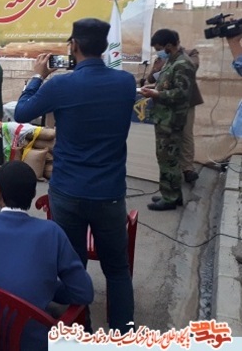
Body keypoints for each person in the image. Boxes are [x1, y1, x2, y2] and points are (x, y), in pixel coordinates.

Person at [14, 18, 135, 333]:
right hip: (109, 193)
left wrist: (37, 76)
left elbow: (22, 112)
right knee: (117, 270)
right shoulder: (126, 83)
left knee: (72, 265)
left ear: (74, 45)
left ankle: (81, 328)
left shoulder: (60, 85)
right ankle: (123, 333)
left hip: (68, 191)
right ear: (104, 46)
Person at [0, 161, 93, 350]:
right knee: (69, 314)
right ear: (33, 196)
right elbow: (83, 292)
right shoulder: (52, 232)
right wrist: (48, 287)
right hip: (27, 342)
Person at [139, 29, 196, 211]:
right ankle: (173, 194)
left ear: (169, 46)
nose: (158, 52)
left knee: (167, 159)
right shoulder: (172, 61)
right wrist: (154, 86)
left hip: (171, 120)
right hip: (165, 118)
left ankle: (169, 198)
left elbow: (181, 93)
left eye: (159, 48)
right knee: (167, 158)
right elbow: (168, 83)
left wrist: (157, 94)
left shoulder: (183, 64)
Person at [147, 46, 203, 184]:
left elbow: (192, 67)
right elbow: (151, 79)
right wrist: (156, 68)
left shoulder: (190, 53)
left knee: (186, 133)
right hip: (165, 103)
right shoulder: (161, 58)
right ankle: (171, 169)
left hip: (185, 103)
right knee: (167, 135)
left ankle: (187, 169)